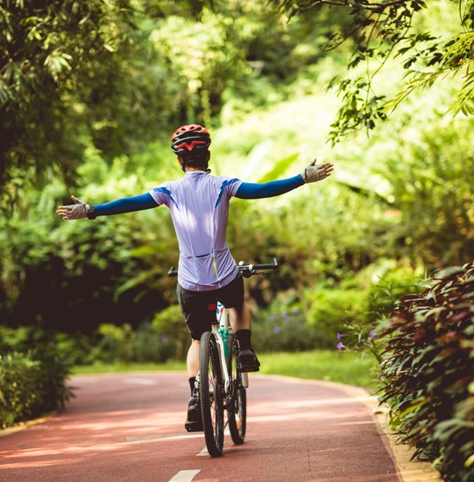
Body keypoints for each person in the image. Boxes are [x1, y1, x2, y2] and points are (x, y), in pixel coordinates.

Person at [56, 124, 333, 431]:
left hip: (190, 282)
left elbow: (129, 203)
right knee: (237, 304)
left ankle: (195, 397)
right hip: (224, 274)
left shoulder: (168, 191)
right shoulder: (224, 184)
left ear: (179, 161)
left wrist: (91, 210)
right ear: (208, 155)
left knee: (195, 338)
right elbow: (263, 190)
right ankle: (245, 349)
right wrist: (303, 178)